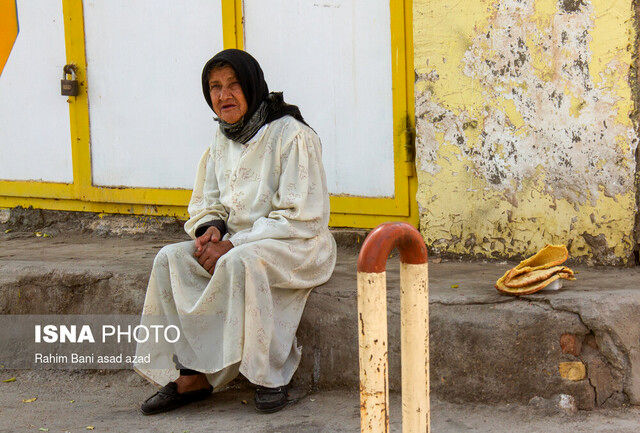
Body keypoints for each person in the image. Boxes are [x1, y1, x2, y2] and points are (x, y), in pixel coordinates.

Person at [134, 49, 337, 415]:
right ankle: (193, 374)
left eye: (233, 85)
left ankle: (270, 376)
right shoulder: (221, 139)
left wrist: (233, 243)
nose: (223, 95)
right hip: (236, 242)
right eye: (215, 87)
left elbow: (299, 216)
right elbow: (207, 200)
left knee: (240, 261)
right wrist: (211, 230)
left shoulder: (292, 136)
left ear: (253, 86)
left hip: (295, 243)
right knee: (170, 259)